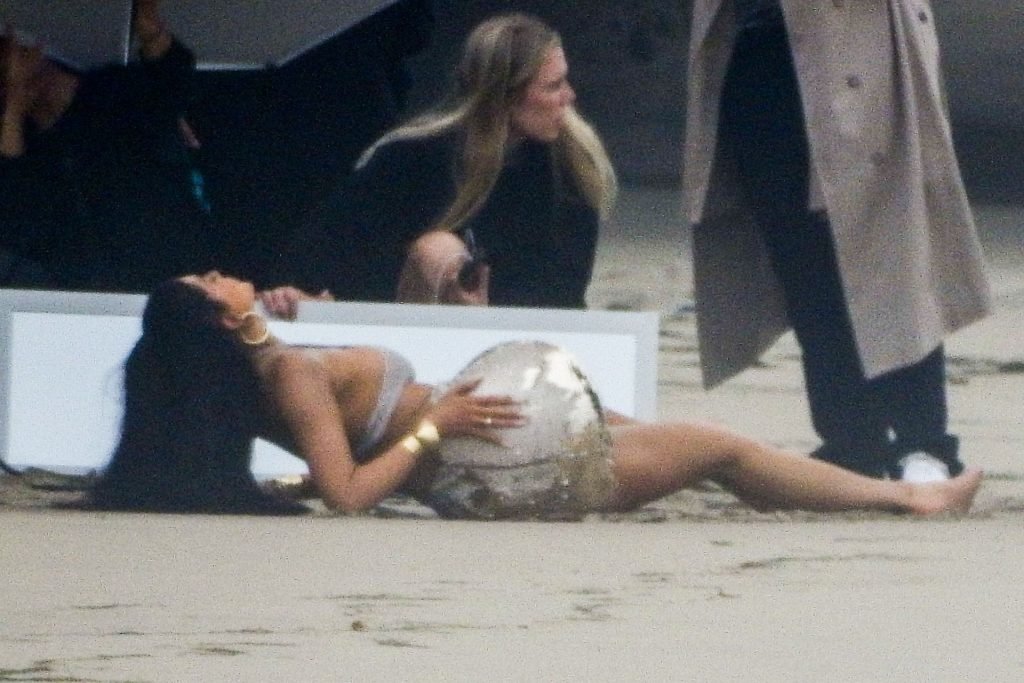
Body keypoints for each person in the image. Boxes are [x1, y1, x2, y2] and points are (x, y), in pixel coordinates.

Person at [91, 271, 982, 518]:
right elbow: (349, 493)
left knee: (692, 445)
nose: (222, 270)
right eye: (211, 280)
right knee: (720, 445)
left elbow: (331, 436)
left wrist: (268, 320)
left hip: (493, 437)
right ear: (220, 320)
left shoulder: (264, 370)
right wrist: (436, 425)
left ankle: (890, 494)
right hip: (494, 455)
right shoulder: (288, 376)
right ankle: (910, 497)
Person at [681, 1, 992, 481]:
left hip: (866, 48)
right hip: (761, 47)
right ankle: (851, 438)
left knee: (895, 242)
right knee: (803, 262)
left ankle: (923, 439)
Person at [270, 13, 617, 311]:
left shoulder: (570, 168)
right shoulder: (412, 157)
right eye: (553, 86)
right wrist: (302, 293)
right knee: (438, 251)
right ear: (505, 96)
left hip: (521, 334)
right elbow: (324, 249)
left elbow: (564, 292)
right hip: (411, 325)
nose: (569, 96)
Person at [0, 0, 215, 292]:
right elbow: (13, 210)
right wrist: (13, 107)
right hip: (86, 294)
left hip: (171, 269)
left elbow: (173, 82)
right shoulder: (25, 141)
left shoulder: (111, 91)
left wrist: (150, 31)